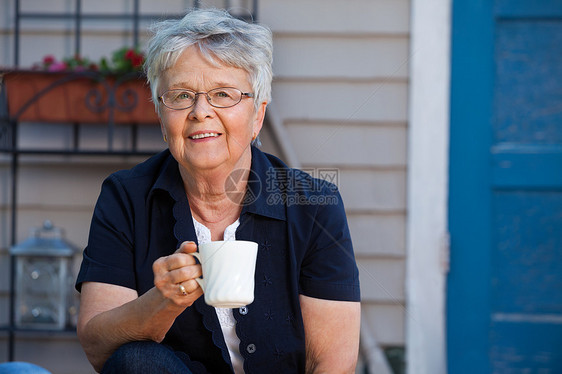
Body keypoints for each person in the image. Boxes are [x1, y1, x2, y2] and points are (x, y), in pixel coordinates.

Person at [75, 8, 360, 374]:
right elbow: (99, 347)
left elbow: (331, 363)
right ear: (162, 118)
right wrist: (160, 302)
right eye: (180, 96)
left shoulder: (313, 206)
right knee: (138, 360)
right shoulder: (126, 197)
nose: (200, 111)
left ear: (257, 115)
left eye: (223, 94)